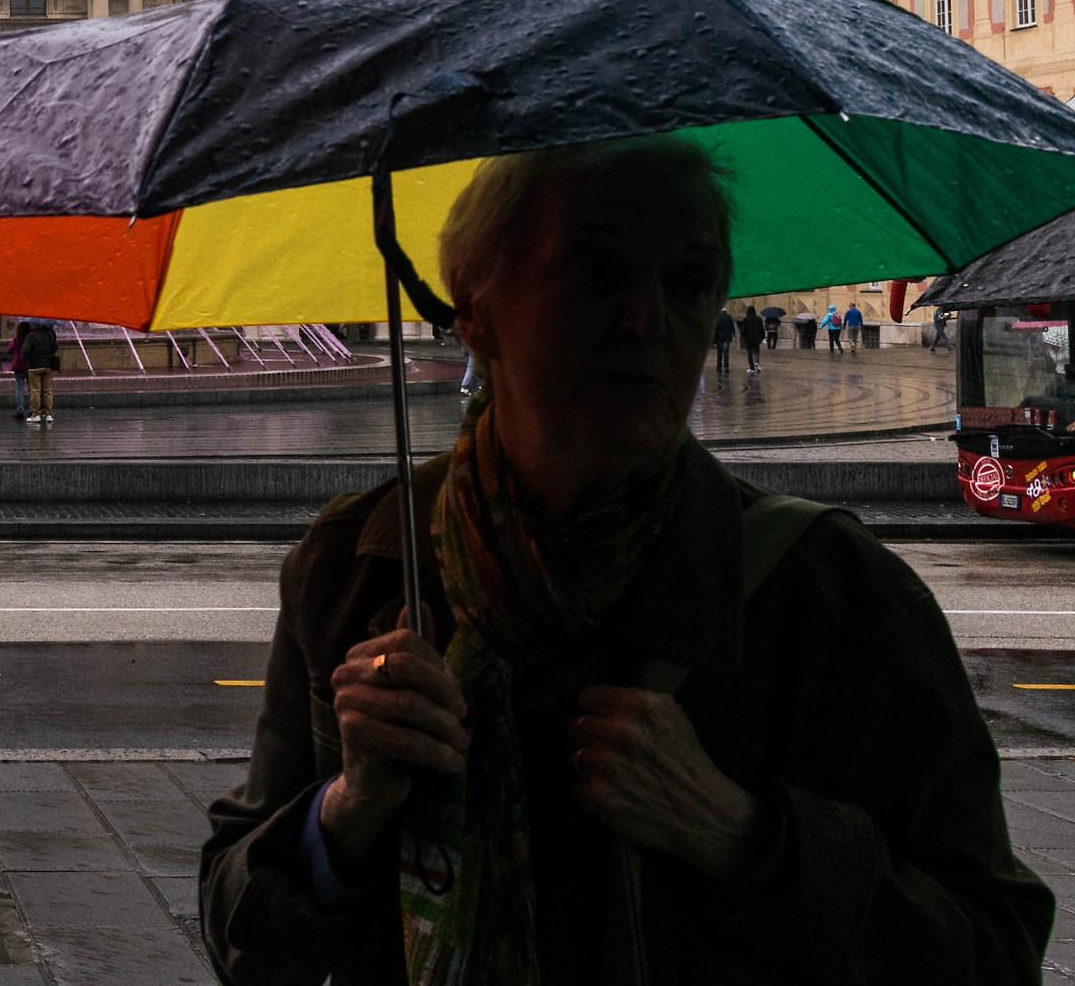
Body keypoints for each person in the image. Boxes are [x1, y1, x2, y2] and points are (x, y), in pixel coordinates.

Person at [198, 136, 1049, 984]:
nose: (648, 320)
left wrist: (745, 837)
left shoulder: (838, 597)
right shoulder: (355, 565)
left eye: (687, 284)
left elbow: (993, 948)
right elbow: (239, 935)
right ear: (476, 313)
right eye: (595, 273)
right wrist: (346, 813)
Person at [26, 320, 60, 424]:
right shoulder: (50, 334)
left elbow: (25, 352)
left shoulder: (31, 336)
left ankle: (36, 414)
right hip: (47, 366)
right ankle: (48, 414)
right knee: (47, 391)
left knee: (35, 391)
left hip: (34, 367)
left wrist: (30, 358)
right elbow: (55, 348)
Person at [7, 321, 32, 419]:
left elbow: (9, 350)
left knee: (19, 388)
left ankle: (20, 410)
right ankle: (32, 410)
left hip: (18, 366)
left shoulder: (16, 340)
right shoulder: (30, 340)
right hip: (29, 365)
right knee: (32, 389)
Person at [738, 303, 764, 374]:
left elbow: (744, 329)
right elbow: (761, 329)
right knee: (756, 351)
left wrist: (743, 336)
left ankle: (751, 367)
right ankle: (757, 362)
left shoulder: (745, 319)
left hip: (748, 338)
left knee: (749, 352)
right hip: (757, 338)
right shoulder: (759, 319)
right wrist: (762, 337)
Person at [711, 306, 735, 378]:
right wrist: (733, 335)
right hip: (727, 337)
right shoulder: (729, 317)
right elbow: (732, 327)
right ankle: (726, 367)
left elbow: (715, 328)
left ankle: (719, 367)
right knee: (726, 352)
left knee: (719, 353)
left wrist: (714, 339)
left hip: (719, 337)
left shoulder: (717, 317)